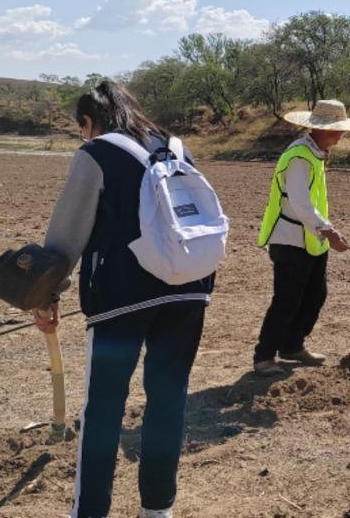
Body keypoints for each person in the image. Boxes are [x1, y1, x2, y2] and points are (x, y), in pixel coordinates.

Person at [34, 80, 215, 518]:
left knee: (103, 411)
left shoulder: (96, 153)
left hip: (123, 300)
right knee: (168, 401)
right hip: (189, 289)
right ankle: (159, 509)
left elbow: (67, 233)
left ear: (88, 122)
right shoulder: (174, 146)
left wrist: (45, 293)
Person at [252, 99, 350, 375]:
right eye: (339, 131)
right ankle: (264, 356)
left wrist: (323, 231)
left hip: (309, 240)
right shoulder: (300, 157)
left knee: (314, 295)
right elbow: (301, 203)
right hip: (290, 239)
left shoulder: (313, 153)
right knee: (287, 300)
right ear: (325, 131)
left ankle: (292, 346)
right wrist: (329, 231)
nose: (341, 137)